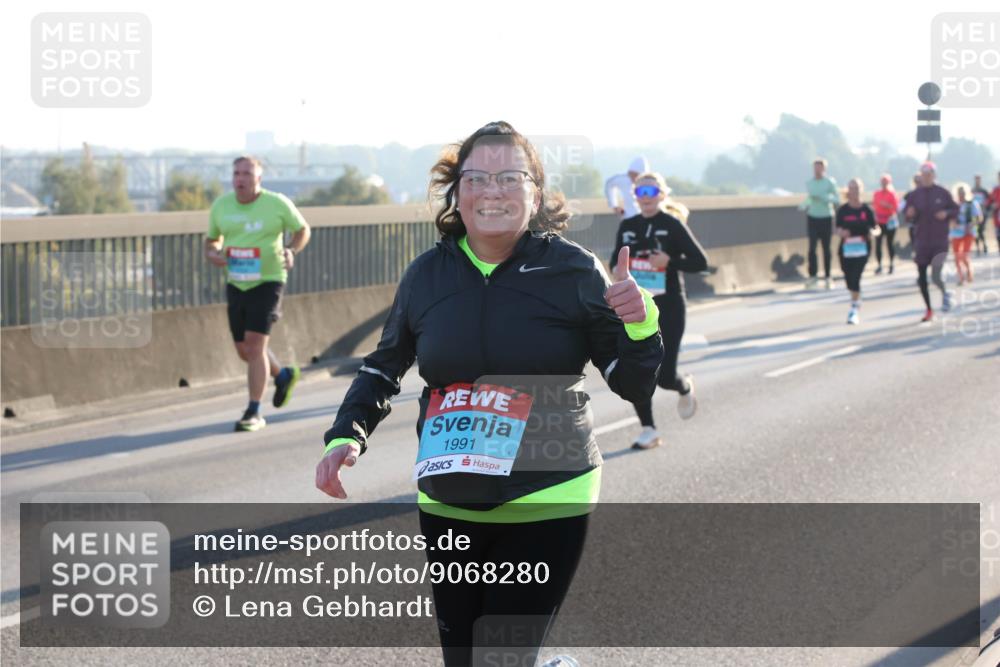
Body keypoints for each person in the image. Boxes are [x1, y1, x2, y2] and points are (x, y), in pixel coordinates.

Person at [315, 122, 662, 667]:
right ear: (458, 193)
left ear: (535, 193)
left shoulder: (572, 271)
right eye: (476, 177)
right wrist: (345, 434)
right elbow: (384, 367)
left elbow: (632, 381)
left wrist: (640, 323)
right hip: (450, 492)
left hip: (548, 489)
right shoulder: (427, 275)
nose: (492, 190)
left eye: (509, 177)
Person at [205, 156, 311, 431]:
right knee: (245, 350)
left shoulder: (276, 203)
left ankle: (253, 411)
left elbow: (302, 230)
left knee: (254, 346)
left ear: (259, 179)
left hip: (269, 279)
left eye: (247, 174)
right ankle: (283, 374)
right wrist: (213, 252)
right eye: (237, 174)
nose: (241, 179)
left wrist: (291, 249)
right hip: (237, 281)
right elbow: (211, 239)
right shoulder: (221, 205)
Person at [609, 172, 708, 449]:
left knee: (664, 377)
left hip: (670, 305)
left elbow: (701, 261)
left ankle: (683, 385)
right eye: (640, 193)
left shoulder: (672, 225)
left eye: (651, 192)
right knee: (639, 371)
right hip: (637, 309)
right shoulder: (627, 225)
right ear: (635, 197)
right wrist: (616, 270)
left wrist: (670, 261)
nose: (645, 198)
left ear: (662, 195)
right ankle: (649, 429)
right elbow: (615, 260)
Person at [904, 161, 959, 322]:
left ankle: (945, 293)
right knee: (921, 277)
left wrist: (946, 213)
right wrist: (909, 213)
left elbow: (956, 209)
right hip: (921, 241)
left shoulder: (943, 192)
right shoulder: (915, 194)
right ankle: (928, 309)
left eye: (929, 175)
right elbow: (906, 213)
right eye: (923, 175)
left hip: (939, 241)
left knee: (935, 276)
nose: (926, 178)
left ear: (934, 175)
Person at [835, 179, 879, 325]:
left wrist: (873, 232)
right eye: (851, 188)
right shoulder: (843, 210)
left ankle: (853, 309)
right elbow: (837, 228)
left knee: (856, 277)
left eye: (857, 188)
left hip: (862, 248)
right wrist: (842, 232)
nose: (854, 191)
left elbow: (876, 228)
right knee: (848, 279)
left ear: (861, 190)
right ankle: (856, 296)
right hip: (846, 249)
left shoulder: (867, 210)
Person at [799, 158, 840, 289]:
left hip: (826, 217)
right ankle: (813, 277)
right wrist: (804, 204)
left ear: (824, 169)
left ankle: (828, 276)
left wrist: (824, 198)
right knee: (812, 249)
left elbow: (837, 199)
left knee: (826, 248)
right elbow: (810, 198)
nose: (817, 170)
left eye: (819, 167)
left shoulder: (829, 182)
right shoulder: (809, 183)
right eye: (815, 167)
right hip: (813, 217)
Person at [950, 183, 983, 285]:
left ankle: (969, 272)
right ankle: (960, 277)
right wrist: (953, 222)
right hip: (956, 233)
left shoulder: (972, 203)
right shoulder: (954, 205)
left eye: (963, 193)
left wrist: (971, 224)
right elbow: (949, 217)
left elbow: (979, 218)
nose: (961, 195)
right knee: (956, 256)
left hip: (969, 232)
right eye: (959, 193)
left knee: (964, 255)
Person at [871, 174, 900, 275]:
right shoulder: (876, 194)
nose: (884, 184)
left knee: (889, 243)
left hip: (889, 222)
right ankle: (879, 265)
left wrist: (887, 205)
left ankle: (891, 264)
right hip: (879, 222)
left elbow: (896, 208)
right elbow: (874, 207)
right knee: (878, 244)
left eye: (885, 182)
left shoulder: (892, 194)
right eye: (882, 182)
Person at [971, 175, 991, 255]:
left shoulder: (984, 191)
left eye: (979, 179)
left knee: (981, 230)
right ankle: (978, 248)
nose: (977, 181)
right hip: (974, 214)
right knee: (976, 230)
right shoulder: (972, 190)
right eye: (976, 179)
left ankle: (985, 246)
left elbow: (989, 201)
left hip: (983, 213)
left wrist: (987, 210)